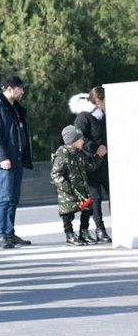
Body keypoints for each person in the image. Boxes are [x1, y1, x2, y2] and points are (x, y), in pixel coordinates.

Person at [0, 75, 33, 249]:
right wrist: (2, 158)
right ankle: (1, 235)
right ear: (9, 89)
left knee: (13, 198)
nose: (23, 91)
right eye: (20, 88)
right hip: (3, 162)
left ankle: (9, 233)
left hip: (16, 160)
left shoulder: (15, 108)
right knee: (4, 197)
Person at [52, 125, 106, 246]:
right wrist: (67, 188)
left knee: (87, 209)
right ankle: (69, 234)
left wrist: (99, 156)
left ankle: (84, 232)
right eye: (80, 139)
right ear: (72, 141)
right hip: (68, 192)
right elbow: (56, 174)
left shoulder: (79, 153)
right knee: (67, 212)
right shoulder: (62, 154)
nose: (83, 141)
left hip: (81, 190)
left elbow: (89, 166)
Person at [74, 85, 110, 243]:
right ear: (98, 100)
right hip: (91, 164)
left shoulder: (106, 115)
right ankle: (99, 229)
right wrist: (96, 147)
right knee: (95, 198)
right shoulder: (84, 116)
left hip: (108, 163)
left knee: (115, 195)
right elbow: (78, 138)